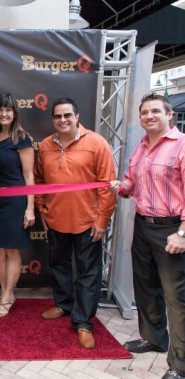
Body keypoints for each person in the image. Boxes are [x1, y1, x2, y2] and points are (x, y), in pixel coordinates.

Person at [110, 93, 185, 379]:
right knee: (146, 286)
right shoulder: (141, 146)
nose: (149, 116)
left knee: (176, 297)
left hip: (172, 229)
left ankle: (179, 365)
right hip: (143, 224)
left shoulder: (182, 146)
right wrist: (121, 186)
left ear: (170, 115)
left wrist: (182, 234)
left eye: (155, 111)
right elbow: (132, 184)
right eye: (144, 112)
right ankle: (154, 338)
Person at [35, 97, 116, 349]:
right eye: (58, 116)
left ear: (77, 116)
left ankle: (83, 322)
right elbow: (38, 181)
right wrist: (43, 211)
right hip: (55, 220)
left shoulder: (97, 143)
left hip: (87, 223)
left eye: (67, 115)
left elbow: (107, 187)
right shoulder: (46, 146)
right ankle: (63, 304)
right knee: (59, 266)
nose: (62, 120)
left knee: (88, 274)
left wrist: (102, 220)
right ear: (53, 120)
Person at [0, 93, 35, 318]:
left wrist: (30, 207)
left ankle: (6, 296)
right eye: (0, 110)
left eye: (9, 110)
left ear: (15, 113)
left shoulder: (21, 138)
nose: (4, 114)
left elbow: (29, 175)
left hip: (15, 202)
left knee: (11, 250)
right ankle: (6, 294)